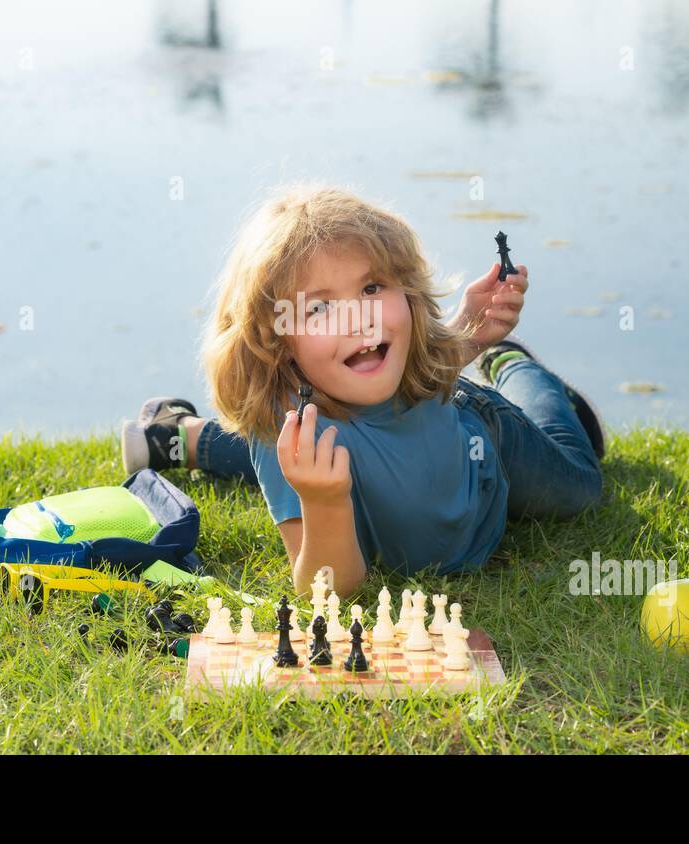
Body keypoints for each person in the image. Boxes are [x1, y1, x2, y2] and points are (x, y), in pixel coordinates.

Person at [121, 186, 603, 596]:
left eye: (372, 288)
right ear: (277, 340)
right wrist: (323, 503)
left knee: (582, 486)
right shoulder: (282, 428)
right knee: (311, 461)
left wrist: (471, 335)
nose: (360, 318)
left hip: (487, 450)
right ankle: (181, 437)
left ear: (408, 295)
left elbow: (423, 371)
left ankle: (512, 363)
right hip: (337, 441)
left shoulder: (393, 361)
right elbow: (327, 590)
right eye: (319, 308)